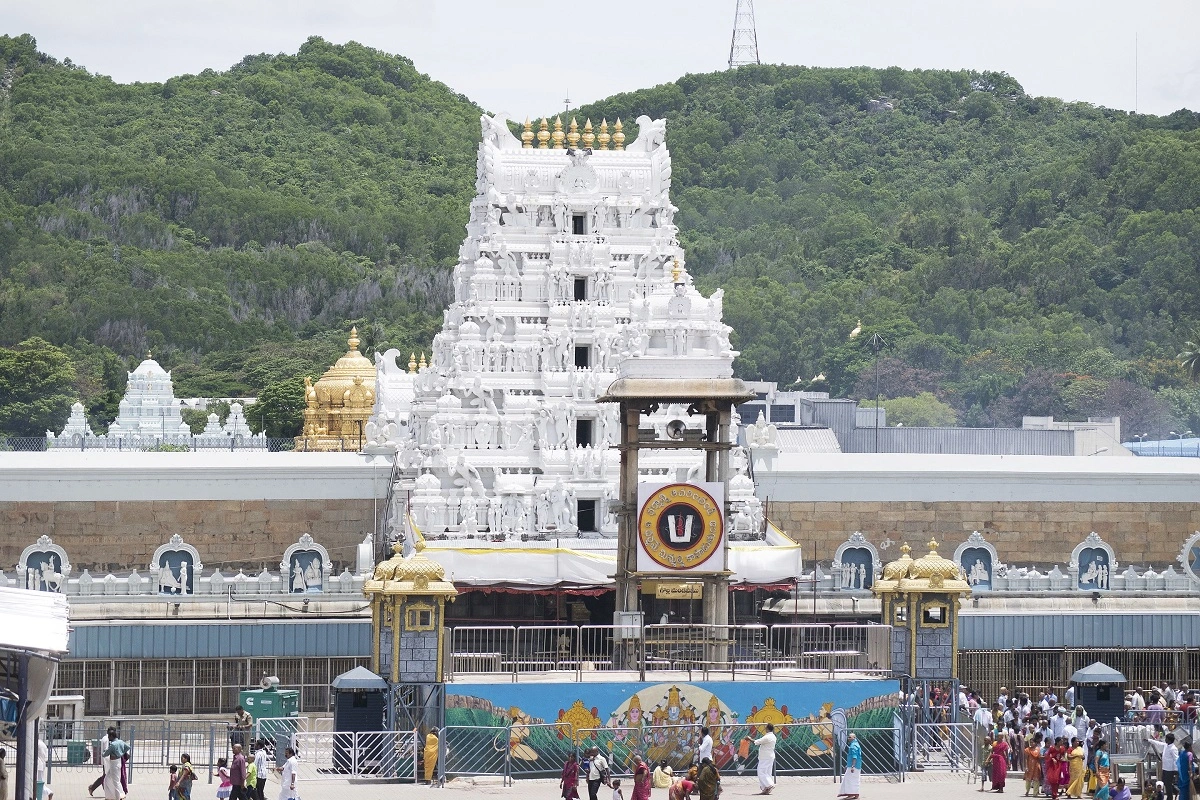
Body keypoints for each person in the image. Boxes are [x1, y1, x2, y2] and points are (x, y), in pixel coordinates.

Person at [755, 722, 777, 795]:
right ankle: (765, 788)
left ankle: (769, 785)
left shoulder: (767, 737)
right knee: (767, 772)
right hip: (769, 756)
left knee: (761, 771)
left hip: (765, 757)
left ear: (767, 728)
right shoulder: (773, 736)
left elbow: (757, 742)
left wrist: (749, 739)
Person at [839, 732, 862, 800]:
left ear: (854, 738)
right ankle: (855, 794)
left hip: (854, 766)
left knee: (849, 780)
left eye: (850, 737)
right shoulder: (856, 744)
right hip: (857, 765)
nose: (848, 738)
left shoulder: (853, 746)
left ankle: (851, 794)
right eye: (848, 737)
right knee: (855, 780)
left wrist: (852, 766)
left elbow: (854, 757)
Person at [1024, 732, 1044, 797]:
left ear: (1035, 743)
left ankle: (1035, 793)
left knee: (1036, 780)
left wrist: (1047, 757)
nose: (1032, 744)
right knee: (1028, 780)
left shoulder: (1038, 749)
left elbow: (1040, 757)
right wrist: (1026, 766)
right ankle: (1027, 791)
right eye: (1031, 742)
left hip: (1036, 765)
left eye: (1033, 742)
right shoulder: (1027, 750)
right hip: (1030, 765)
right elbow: (1026, 759)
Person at [1164, 734, 1181, 800]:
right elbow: (1159, 743)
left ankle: (1170, 798)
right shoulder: (1166, 746)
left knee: (1168, 784)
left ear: (1169, 740)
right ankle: (1175, 790)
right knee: (1165, 782)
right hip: (1165, 768)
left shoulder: (1173, 748)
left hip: (1170, 769)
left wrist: (1176, 769)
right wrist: (1150, 740)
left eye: (1166, 739)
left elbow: (1176, 759)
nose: (1165, 740)